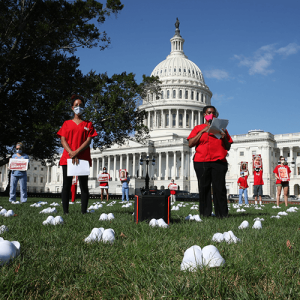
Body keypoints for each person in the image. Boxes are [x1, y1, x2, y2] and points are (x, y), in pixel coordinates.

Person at [187, 105, 233, 218]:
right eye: (208, 112)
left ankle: (222, 214)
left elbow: (228, 146)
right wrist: (202, 131)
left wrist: (224, 137)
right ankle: (205, 214)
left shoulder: (222, 129)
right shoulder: (198, 128)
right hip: (201, 161)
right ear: (204, 115)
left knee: (220, 188)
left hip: (218, 161)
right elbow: (190, 143)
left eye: (213, 113)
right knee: (204, 188)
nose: (211, 115)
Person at [57, 94, 98, 214]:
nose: (78, 107)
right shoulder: (66, 123)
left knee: (84, 186)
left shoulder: (88, 124)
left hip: (83, 158)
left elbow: (88, 140)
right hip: (67, 158)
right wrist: (71, 152)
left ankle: (83, 211)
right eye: (76, 105)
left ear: (84, 107)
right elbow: (63, 139)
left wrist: (76, 152)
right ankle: (65, 211)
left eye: (80, 105)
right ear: (72, 108)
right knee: (66, 185)